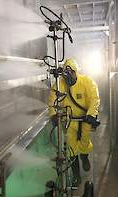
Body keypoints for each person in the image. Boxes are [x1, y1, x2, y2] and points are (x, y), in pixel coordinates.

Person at [48, 58, 100, 186]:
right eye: (66, 74)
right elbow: (52, 100)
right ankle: (76, 176)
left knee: (84, 141)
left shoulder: (87, 82)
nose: (68, 77)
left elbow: (95, 99)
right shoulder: (60, 85)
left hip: (85, 119)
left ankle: (84, 157)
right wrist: (53, 115)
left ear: (76, 72)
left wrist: (91, 114)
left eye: (71, 73)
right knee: (71, 149)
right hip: (69, 121)